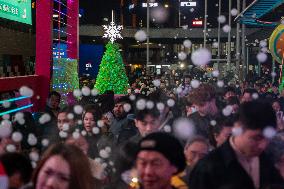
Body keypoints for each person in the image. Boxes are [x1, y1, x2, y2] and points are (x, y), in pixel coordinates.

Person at [189, 100, 284, 189]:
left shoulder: (271, 158)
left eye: (268, 138)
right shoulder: (207, 169)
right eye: (256, 138)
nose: (263, 145)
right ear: (238, 128)